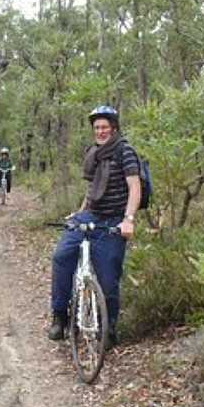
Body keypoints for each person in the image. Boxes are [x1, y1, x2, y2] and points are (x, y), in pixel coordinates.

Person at [47, 105, 141, 351]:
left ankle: (109, 329)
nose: (100, 131)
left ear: (114, 128)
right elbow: (91, 191)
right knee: (61, 257)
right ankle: (60, 317)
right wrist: (79, 213)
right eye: (97, 127)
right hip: (90, 215)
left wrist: (128, 219)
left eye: (104, 127)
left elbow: (135, 188)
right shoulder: (92, 153)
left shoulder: (125, 151)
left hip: (113, 220)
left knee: (108, 278)